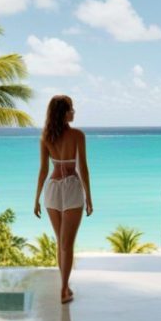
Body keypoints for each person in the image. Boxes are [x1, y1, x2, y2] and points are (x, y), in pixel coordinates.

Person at [34, 95, 93, 304]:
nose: (74, 112)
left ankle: (64, 285)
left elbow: (43, 170)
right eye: (71, 109)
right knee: (67, 244)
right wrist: (89, 197)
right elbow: (83, 168)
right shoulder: (78, 135)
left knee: (61, 243)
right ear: (63, 112)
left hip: (51, 189)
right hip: (71, 188)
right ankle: (64, 289)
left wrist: (37, 198)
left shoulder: (45, 137)